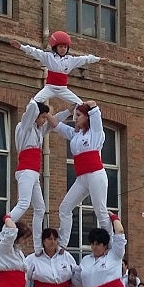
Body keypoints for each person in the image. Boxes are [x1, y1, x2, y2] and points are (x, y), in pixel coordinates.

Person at [53, 101, 110, 248]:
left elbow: (94, 106)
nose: (75, 118)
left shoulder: (96, 132)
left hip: (96, 175)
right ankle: (62, 245)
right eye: (75, 115)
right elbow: (56, 125)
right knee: (64, 208)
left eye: (78, 115)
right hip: (82, 178)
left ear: (87, 117)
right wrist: (46, 114)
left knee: (100, 210)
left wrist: (83, 103)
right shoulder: (75, 135)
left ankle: (110, 246)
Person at [7, 99, 60, 239]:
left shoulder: (39, 130)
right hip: (26, 169)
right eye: (42, 117)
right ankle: (6, 226)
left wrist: (68, 111)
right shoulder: (24, 126)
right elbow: (31, 108)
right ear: (36, 115)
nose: (44, 120)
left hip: (34, 172)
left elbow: (55, 122)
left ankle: (37, 244)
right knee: (24, 202)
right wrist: (39, 99)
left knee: (40, 208)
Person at [10, 32, 103, 106]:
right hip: (49, 88)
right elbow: (34, 52)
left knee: (80, 105)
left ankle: (80, 126)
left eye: (65, 47)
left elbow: (85, 59)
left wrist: (99, 59)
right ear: (55, 47)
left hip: (63, 89)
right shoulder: (48, 57)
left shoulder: (70, 60)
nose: (63, 49)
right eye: (61, 47)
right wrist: (21, 47)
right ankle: (29, 124)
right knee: (33, 104)